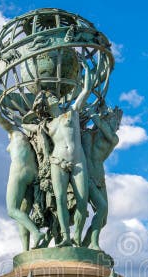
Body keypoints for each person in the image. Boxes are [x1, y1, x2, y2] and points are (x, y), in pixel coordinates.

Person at [26, 66, 93, 247]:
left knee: (81, 202)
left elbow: (86, 90)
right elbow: (27, 127)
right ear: (45, 105)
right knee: (61, 200)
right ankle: (65, 237)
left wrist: (85, 71)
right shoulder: (47, 125)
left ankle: (77, 236)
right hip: (57, 161)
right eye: (48, 96)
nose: (53, 96)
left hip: (78, 161)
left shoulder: (71, 112)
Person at [0, 92, 44, 250]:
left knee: (12, 210)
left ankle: (36, 233)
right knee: (23, 212)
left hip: (18, 172)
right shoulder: (33, 137)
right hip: (33, 174)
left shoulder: (15, 133)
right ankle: (25, 249)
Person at [81, 104, 121, 250]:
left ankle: (83, 247)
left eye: (117, 123)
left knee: (103, 220)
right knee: (102, 208)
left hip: (99, 177)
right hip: (85, 176)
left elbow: (103, 128)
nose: (116, 126)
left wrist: (94, 114)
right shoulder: (87, 134)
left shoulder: (113, 138)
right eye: (114, 121)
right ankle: (94, 243)